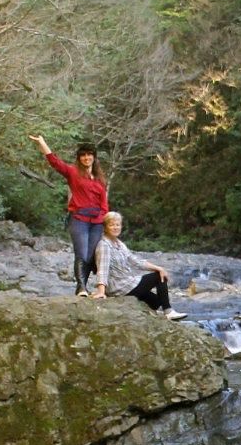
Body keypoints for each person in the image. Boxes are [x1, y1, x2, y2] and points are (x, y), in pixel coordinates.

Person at [28, 134, 108, 297]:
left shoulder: (99, 178)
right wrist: (43, 143)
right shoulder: (73, 172)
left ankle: (86, 286)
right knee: (81, 253)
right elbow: (55, 162)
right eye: (83, 155)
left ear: (94, 157)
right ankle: (81, 287)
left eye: (89, 155)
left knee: (91, 255)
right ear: (79, 158)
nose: (86, 158)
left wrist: (105, 219)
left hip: (97, 221)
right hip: (79, 219)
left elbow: (104, 203)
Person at [90, 212, 187, 320]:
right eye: (112, 225)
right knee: (157, 276)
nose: (115, 227)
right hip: (119, 287)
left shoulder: (119, 244)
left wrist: (158, 267)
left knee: (157, 301)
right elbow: (102, 269)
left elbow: (136, 261)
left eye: (118, 225)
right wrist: (101, 292)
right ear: (105, 227)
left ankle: (153, 313)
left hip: (128, 282)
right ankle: (168, 311)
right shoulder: (104, 245)